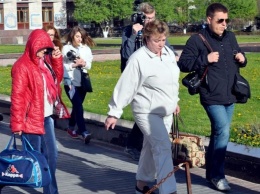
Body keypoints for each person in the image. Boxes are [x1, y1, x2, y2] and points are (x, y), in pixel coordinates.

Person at [178, 3, 247, 191]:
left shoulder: (230, 37)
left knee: (219, 133)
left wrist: (242, 58)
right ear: (209, 20)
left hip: (230, 94)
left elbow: (238, 57)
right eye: (220, 20)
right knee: (223, 132)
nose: (224, 24)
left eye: (226, 20)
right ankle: (218, 176)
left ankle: (211, 174)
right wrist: (204, 60)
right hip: (210, 95)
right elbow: (183, 64)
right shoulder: (197, 40)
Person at [105, 19, 179, 194]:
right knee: (162, 147)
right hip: (146, 111)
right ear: (146, 38)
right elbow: (126, 86)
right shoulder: (138, 59)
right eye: (156, 40)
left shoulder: (168, 53)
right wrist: (114, 112)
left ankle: (142, 183)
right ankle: (169, 190)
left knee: (150, 147)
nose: (161, 44)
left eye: (163, 39)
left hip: (165, 111)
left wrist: (175, 101)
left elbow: (172, 81)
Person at [10, 29, 69, 194]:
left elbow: (57, 79)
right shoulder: (22, 66)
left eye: (47, 49)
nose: (45, 51)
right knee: (33, 159)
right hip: (31, 120)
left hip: (46, 117)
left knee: (52, 156)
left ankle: (50, 191)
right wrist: (17, 125)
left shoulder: (45, 63)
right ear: (34, 45)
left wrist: (56, 59)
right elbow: (18, 97)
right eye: (43, 48)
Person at [121, 1, 178, 161]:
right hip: (136, 77)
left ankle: (142, 148)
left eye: (152, 17)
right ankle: (134, 146)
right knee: (144, 111)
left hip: (153, 77)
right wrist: (133, 34)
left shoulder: (156, 32)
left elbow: (168, 49)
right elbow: (126, 54)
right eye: (146, 18)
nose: (150, 21)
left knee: (149, 112)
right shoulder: (129, 30)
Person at [62, 26, 95, 144]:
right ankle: (83, 132)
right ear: (72, 36)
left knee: (77, 106)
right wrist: (74, 65)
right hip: (70, 82)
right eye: (77, 36)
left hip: (83, 82)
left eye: (81, 36)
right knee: (78, 106)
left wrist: (84, 63)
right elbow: (64, 65)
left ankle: (71, 128)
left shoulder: (86, 49)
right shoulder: (66, 48)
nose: (79, 39)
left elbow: (89, 64)